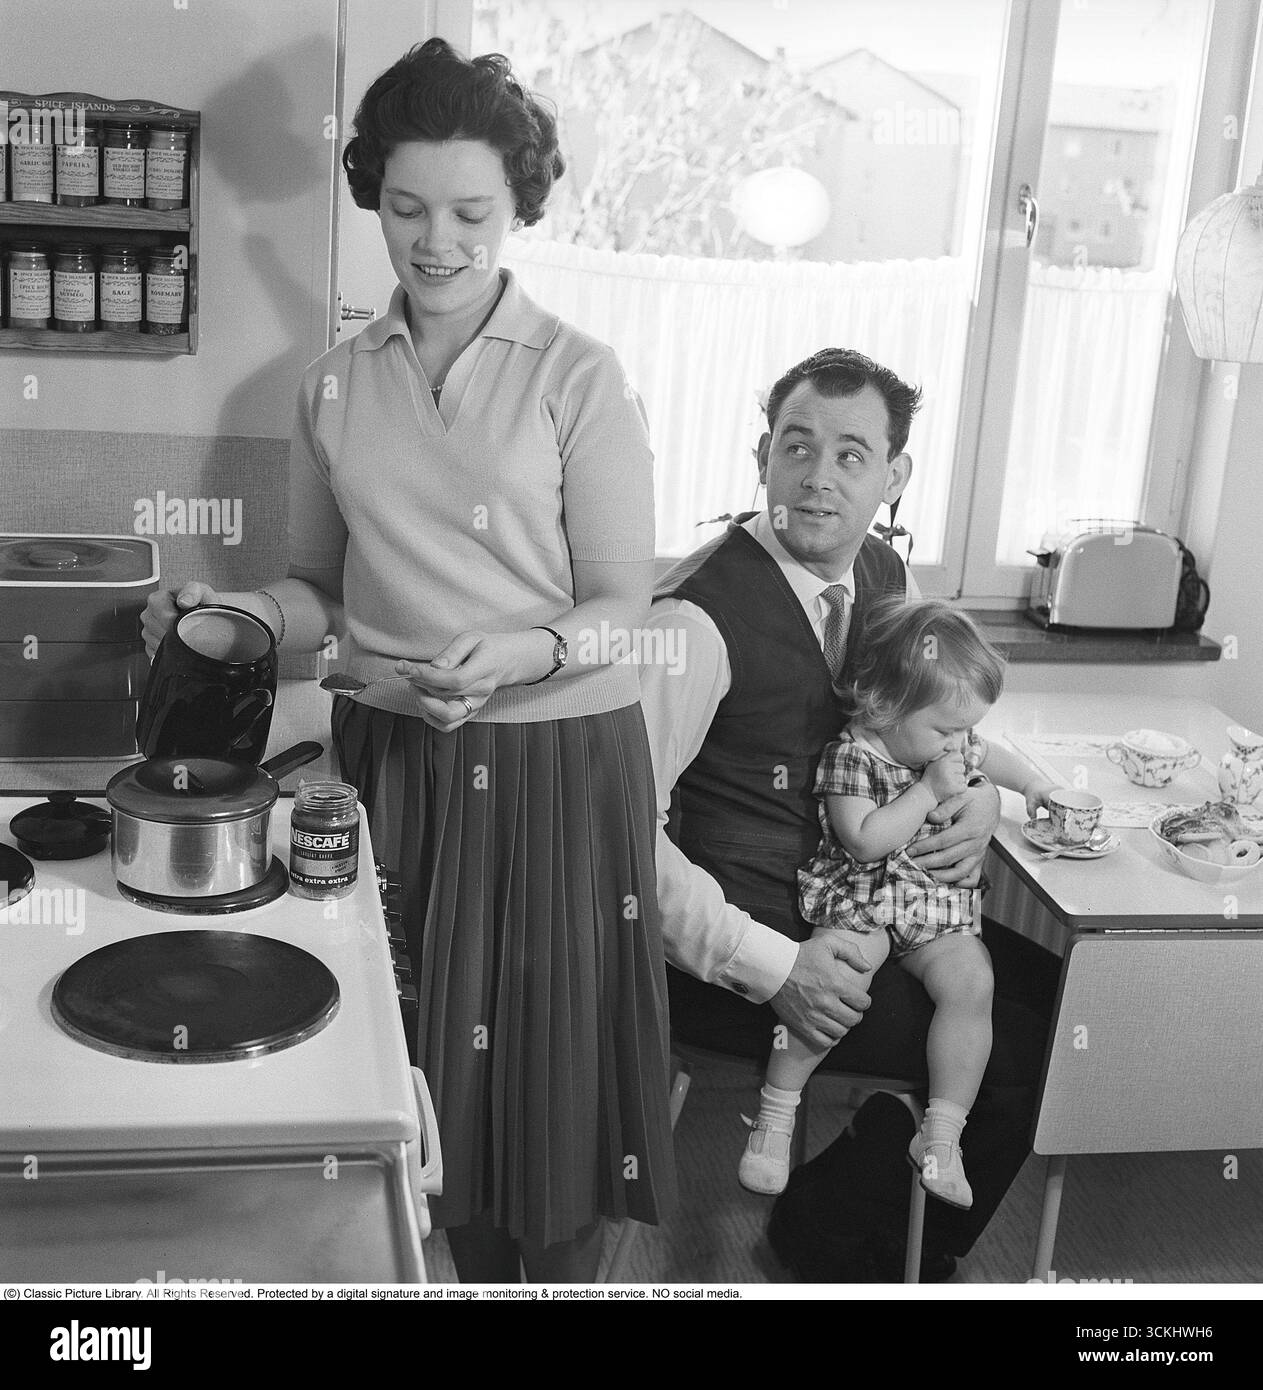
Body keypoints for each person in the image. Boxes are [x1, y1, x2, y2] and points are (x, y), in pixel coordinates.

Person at [141, 38, 675, 1282]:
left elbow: (623, 599)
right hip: (388, 757)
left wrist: (527, 648)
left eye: (472, 212)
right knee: (398, 1050)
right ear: (373, 196)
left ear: (520, 209)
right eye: (406, 207)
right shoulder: (333, 384)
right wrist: (240, 613)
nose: (437, 240)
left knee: (540, 1073)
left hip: (552, 764)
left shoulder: (579, 378)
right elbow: (320, 591)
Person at [636, 348, 1059, 1281]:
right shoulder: (692, 623)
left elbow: (927, 725)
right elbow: (617, 841)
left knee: (1057, 987)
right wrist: (774, 966)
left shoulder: (880, 573)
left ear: (894, 477)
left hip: (870, 903)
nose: (818, 477)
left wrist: (980, 800)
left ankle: (844, 1205)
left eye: (851, 454)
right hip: (749, 950)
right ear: (762, 454)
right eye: (797, 445)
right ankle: (840, 1248)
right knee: (1029, 1046)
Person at [739, 597, 1056, 1208]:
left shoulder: (949, 740)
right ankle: (775, 1119)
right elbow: (864, 842)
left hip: (934, 908)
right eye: (945, 731)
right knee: (839, 985)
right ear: (885, 706)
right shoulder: (854, 755)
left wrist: (1034, 784)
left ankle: (941, 1135)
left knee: (973, 981)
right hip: (865, 899)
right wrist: (928, 790)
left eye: (967, 730)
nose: (961, 744)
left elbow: (996, 759)